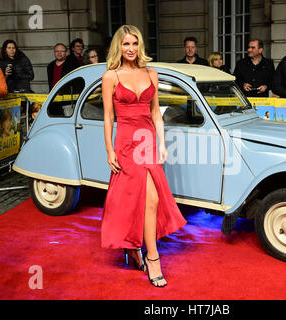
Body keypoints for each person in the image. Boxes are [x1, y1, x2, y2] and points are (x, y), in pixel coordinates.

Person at [101, 25, 186, 288]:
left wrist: (162, 144)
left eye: (134, 44)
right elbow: (108, 116)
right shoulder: (110, 76)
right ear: (119, 46)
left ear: (140, 46)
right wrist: (109, 150)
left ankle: (138, 250)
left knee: (151, 198)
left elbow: (156, 113)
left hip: (148, 140)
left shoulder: (152, 73)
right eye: (126, 44)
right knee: (141, 199)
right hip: (126, 142)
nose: (130, 49)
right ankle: (152, 258)